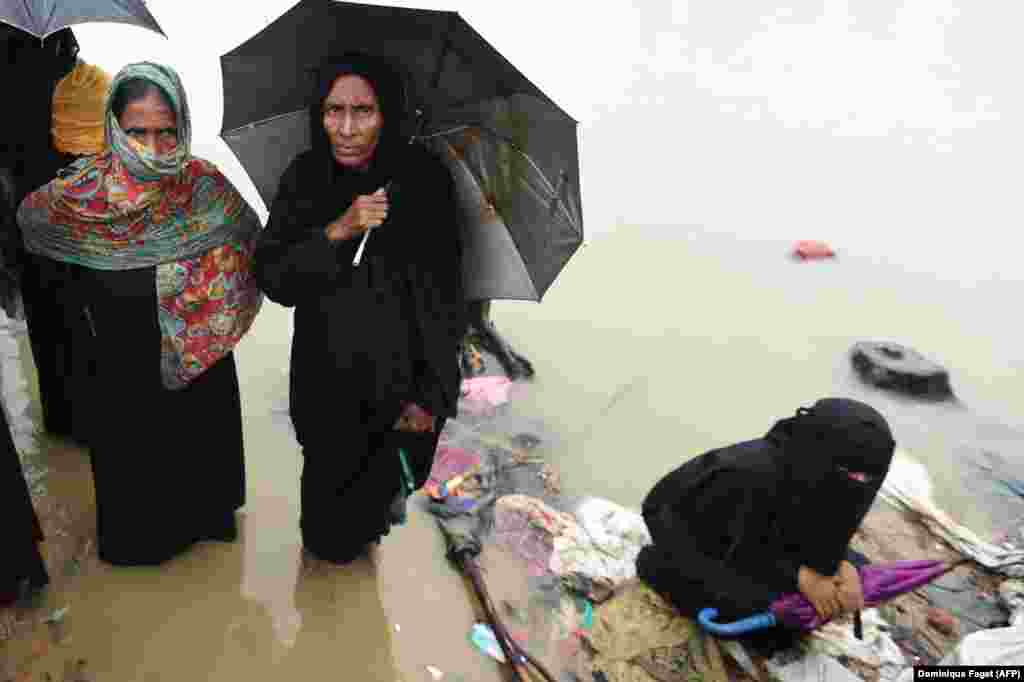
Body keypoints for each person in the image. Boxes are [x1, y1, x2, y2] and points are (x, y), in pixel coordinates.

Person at [18, 62, 263, 566]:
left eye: (166, 133)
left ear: (183, 128)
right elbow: (33, 231)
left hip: (199, 361)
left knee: (201, 465)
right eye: (137, 133)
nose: (151, 148)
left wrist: (199, 301)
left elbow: (250, 247)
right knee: (137, 494)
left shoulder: (205, 187)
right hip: (121, 361)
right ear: (112, 128)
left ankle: (204, 519)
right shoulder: (80, 196)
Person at [254, 52, 466, 565]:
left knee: (375, 514)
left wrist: (431, 395)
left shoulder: (424, 181)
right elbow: (275, 278)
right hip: (327, 387)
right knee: (325, 539)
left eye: (363, 112)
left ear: (387, 113)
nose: (345, 128)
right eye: (333, 111)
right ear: (318, 113)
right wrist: (338, 230)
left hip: (401, 395)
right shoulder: (304, 179)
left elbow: (446, 299)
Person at [636, 398, 895, 649]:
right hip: (699, 543)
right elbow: (717, 536)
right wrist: (796, 575)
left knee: (847, 579)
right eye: (851, 474)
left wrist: (840, 565)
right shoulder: (742, 473)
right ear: (819, 450)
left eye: (867, 477)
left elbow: (824, 531)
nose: (859, 482)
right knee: (756, 611)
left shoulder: (835, 479)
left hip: (767, 543)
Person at [2, 26, 106, 445]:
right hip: (65, 188)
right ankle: (85, 415)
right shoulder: (47, 36)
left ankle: (63, 417)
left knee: (48, 311)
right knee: (76, 307)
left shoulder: (16, 42)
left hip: (30, 197)